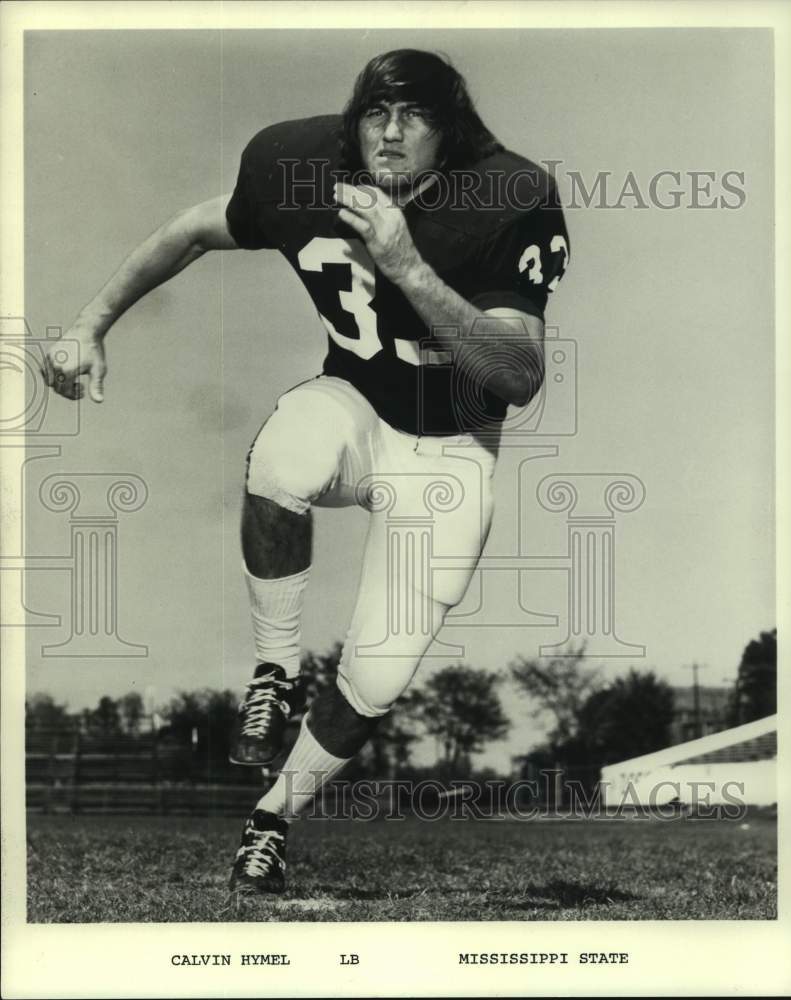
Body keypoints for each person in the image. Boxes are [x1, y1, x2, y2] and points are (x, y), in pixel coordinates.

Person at [42, 49, 569, 896]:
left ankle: (272, 820)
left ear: (453, 129)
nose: (392, 133)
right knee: (287, 450)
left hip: (450, 447)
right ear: (352, 119)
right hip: (355, 403)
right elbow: (193, 229)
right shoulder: (298, 165)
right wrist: (90, 323)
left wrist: (404, 264)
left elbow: (518, 374)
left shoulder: (506, 196)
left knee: (380, 674)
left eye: (416, 117)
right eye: (376, 113)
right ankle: (273, 672)